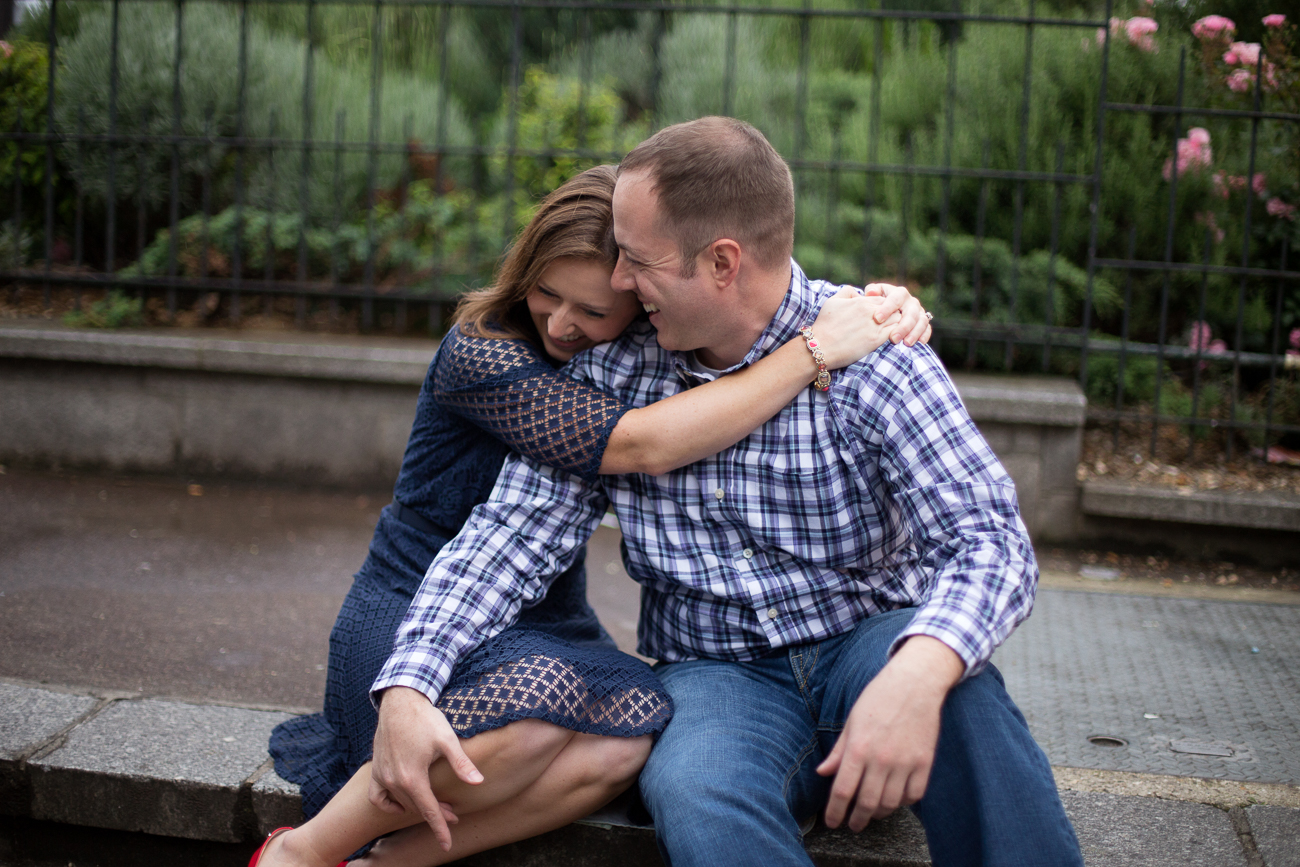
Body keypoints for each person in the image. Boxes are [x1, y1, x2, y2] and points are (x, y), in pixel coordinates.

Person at [369, 118, 1085, 867]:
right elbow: (509, 538)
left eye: (636, 260)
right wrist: (413, 678)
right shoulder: (619, 372)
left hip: (867, 640)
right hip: (718, 675)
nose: (617, 282)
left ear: (721, 262)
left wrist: (918, 669)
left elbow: (990, 539)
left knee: (960, 692)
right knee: (693, 785)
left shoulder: (875, 354)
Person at [256, 164, 932, 867]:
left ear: (640, 300)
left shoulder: (640, 354)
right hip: (415, 600)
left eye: (591, 309)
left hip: (545, 619)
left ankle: (390, 863)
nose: (559, 320)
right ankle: (298, 855)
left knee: (632, 731)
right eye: (545, 291)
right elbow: (641, 443)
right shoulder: (483, 351)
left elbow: (747, 294)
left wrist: (875, 311)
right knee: (536, 722)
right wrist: (816, 347)